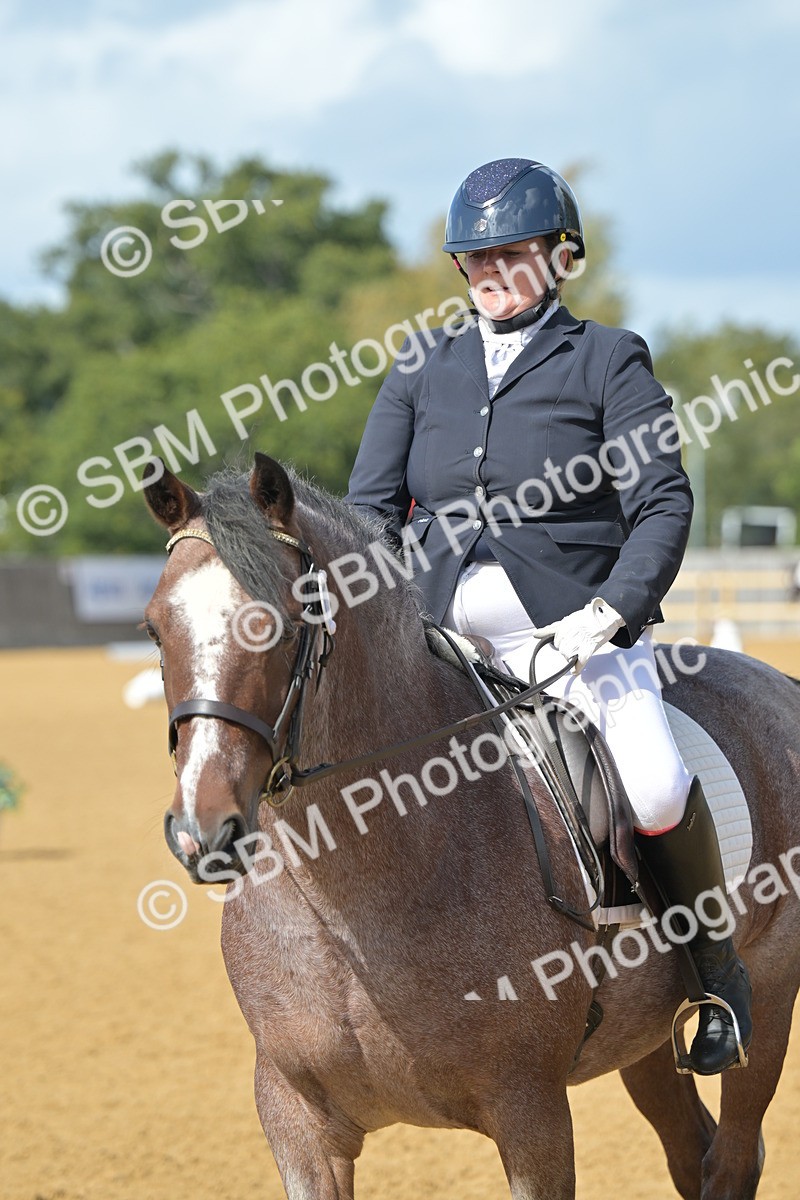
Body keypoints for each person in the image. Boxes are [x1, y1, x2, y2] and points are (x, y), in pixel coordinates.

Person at [346, 158, 752, 1075]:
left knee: (650, 783)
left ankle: (716, 975)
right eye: (476, 258)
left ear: (560, 257)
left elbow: (661, 503)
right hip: (436, 630)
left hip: (575, 630)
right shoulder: (421, 368)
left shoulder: (608, 358)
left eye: (514, 254)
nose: (492, 273)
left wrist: (610, 614)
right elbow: (370, 512)